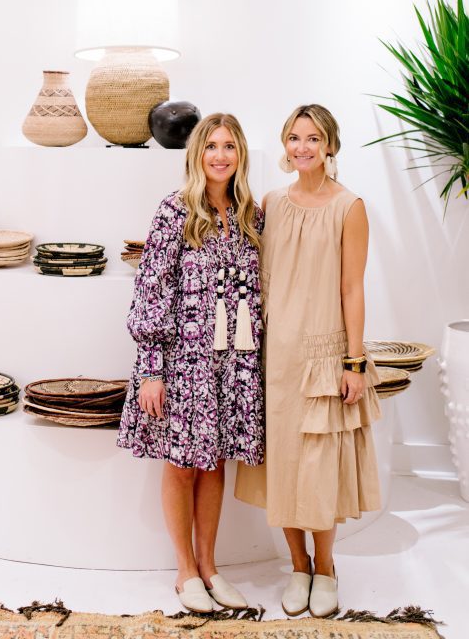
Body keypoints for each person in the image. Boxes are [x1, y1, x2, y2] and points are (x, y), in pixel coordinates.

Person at [235, 104, 381, 618]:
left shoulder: (349, 206)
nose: (303, 147)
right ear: (285, 144)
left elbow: (352, 289)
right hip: (275, 355)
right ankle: (298, 565)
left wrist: (354, 362)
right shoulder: (272, 203)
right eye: (295, 138)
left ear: (330, 146)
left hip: (323, 353)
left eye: (313, 138)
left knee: (318, 471)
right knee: (283, 466)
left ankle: (327, 568)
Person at [117, 113, 264, 614]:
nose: (220, 156)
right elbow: (152, 289)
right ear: (196, 154)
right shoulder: (173, 211)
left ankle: (210, 566)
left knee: (214, 461)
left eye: (229, 146)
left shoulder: (252, 215)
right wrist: (152, 368)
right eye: (211, 146)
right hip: (184, 362)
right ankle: (185, 571)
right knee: (182, 463)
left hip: (233, 363)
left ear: (240, 154)